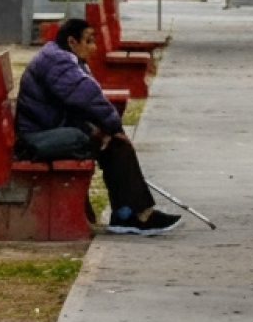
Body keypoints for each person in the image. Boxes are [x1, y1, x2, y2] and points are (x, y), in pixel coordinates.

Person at [14, 18, 181, 235]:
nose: (93, 48)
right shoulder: (59, 63)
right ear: (72, 41)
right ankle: (135, 214)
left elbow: (75, 104)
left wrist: (103, 130)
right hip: (37, 140)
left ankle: (129, 214)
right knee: (110, 142)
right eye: (89, 41)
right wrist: (113, 128)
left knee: (114, 146)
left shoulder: (60, 57)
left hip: (49, 131)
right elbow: (88, 98)